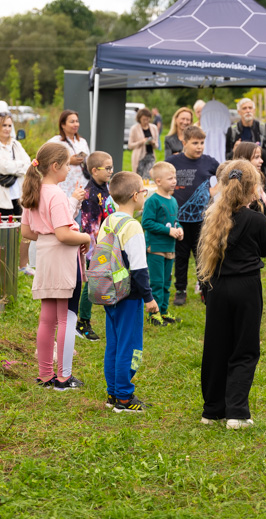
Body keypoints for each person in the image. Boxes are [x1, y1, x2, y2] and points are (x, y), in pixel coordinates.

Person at [197, 160, 266, 429]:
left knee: (216, 346)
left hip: (217, 288)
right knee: (244, 347)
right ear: (253, 188)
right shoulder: (256, 219)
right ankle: (237, 412)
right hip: (246, 288)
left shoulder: (213, 216)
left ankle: (212, 409)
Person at [20, 143, 93, 391]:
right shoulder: (57, 195)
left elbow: (27, 231)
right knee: (66, 318)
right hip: (63, 259)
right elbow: (63, 234)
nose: (69, 171)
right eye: (67, 166)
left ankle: (44, 375)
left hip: (45, 257)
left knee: (46, 318)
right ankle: (63, 377)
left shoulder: (35, 190)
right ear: (55, 166)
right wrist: (85, 238)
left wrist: (49, 236)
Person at [97, 171, 159, 413]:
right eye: (144, 192)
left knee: (113, 342)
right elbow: (140, 268)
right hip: (129, 295)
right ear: (136, 196)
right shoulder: (132, 226)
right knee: (130, 345)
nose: (145, 196)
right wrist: (149, 299)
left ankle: (113, 392)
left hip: (109, 291)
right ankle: (124, 397)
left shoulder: (109, 221)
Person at [167, 126, 220, 306]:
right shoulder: (173, 162)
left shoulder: (209, 162)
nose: (199, 147)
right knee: (181, 256)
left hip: (201, 219)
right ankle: (180, 290)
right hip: (179, 219)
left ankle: (205, 289)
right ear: (184, 143)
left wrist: (213, 191)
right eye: (195, 143)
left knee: (202, 255)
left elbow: (225, 175)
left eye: (202, 143)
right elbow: (157, 175)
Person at [0, 111, 33, 275]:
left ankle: (22, 265)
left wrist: (15, 167)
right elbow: (1, 167)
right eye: (3, 125)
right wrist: (18, 167)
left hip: (19, 195)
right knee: (4, 233)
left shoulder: (15, 144)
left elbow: (28, 163)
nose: (7, 129)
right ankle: (4, 267)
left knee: (24, 230)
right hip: (2, 197)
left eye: (9, 125)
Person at [75, 151, 116, 342]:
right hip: (96, 246)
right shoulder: (90, 194)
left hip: (108, 242)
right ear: (94, 170)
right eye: (107, 168)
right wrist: (95, 250)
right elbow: (90, 226)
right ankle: (82, 322)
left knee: (104, 279)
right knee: (91, 283)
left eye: (111, 167)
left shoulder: (105, 187)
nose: (111, 171)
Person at [142, 161, 183, 327]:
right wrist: (168, 232)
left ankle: (164, 311)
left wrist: (179, 229)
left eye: (175, 178)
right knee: (157, 282)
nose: (174, 181)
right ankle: (154, 314)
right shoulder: (153, 201)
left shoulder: (173, 200)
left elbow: (175, 221)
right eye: (170, 178)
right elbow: (147, 222)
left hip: (170, 248)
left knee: (166, 282)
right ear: (158, 181)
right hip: (156, 248)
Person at [225, 98, 266, 186]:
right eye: (244, 108)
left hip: (261, 175)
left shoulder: (263, 128)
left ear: (254, 110)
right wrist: (235, 150)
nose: (248, 111)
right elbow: (227, 158)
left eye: (250, 108)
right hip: (240, 178)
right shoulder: (232, 131)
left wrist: (258, 152)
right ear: (239, 112)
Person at [47, 110, 90, 198]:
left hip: (82, 183)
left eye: (77, 121)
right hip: (64, 186)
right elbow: (46, 160)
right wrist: (69, 160)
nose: (76, 124)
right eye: (72, 122)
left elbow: (88, 160)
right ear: (63, 125)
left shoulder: (82, 141)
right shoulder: (55, 141)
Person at [231, 142, 266, 217]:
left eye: (260, 157)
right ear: (245, 159)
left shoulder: (256, 182)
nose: (261, 161)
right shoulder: (237, 183)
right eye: (257, 157)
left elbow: (263, 211)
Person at [128, 108, 159, 178]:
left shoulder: (154, 128)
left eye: (148, 119)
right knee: (139, 178)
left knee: (147, 177)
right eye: (144, 119)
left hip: (151, 156)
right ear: (139, 119)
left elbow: (157, 146)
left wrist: (153, 143)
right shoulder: (134, 128)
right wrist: (141, 142)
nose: (146, 121)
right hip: (139, 157)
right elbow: (130, 145)